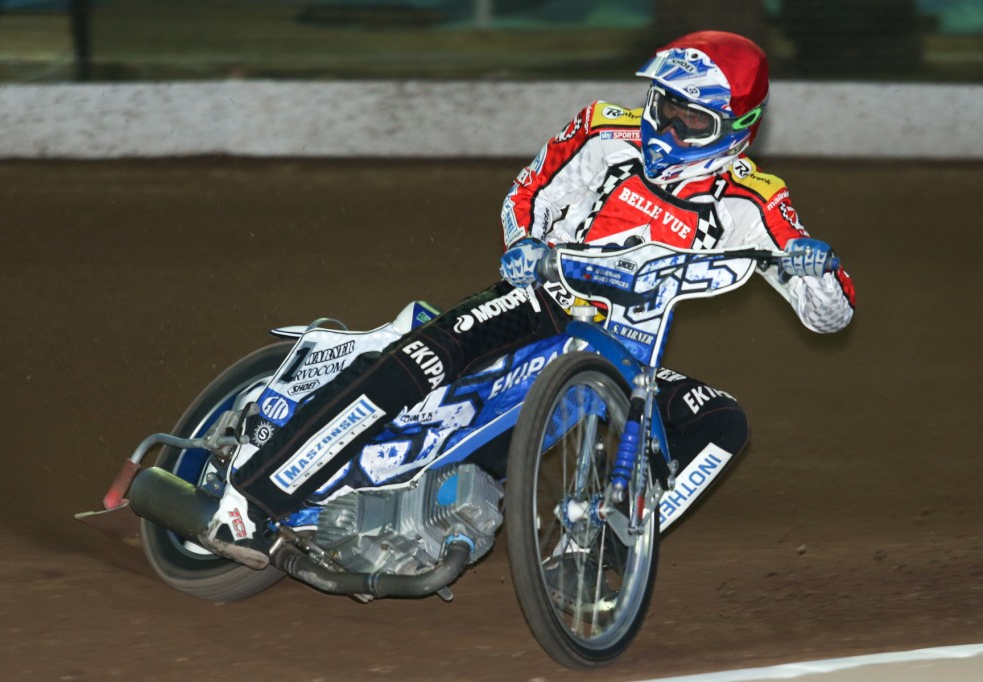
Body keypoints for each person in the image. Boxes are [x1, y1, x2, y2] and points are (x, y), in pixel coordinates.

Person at [203, 30, 856, 568]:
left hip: (622, 358)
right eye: (664, 107)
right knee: (430, 357)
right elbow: (528, 193)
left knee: (721, 422)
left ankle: (601, 544)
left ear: (738, 128)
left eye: (692, 119)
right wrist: (526, 244)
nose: (668, 126)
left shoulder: (755, 201)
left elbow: (830, 316)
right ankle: (251, 501)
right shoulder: (603, 133)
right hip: (544, 303)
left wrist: (813, 267)